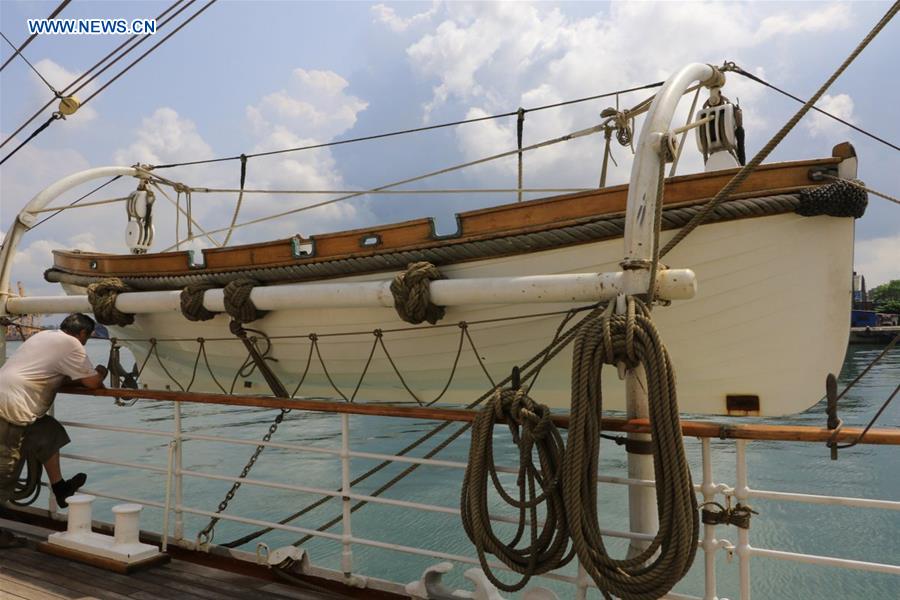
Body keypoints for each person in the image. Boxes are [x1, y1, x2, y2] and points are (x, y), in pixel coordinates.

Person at [1, 313, 107, 548]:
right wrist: (101, 372)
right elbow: (92, 383)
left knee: (50, 432)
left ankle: (60, 488)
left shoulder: (44, 336)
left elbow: (52, 375)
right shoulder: (72, 344)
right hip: (9, 407)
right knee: (5, 469)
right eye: (88, 338)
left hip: (11, 400)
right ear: (83, 334)